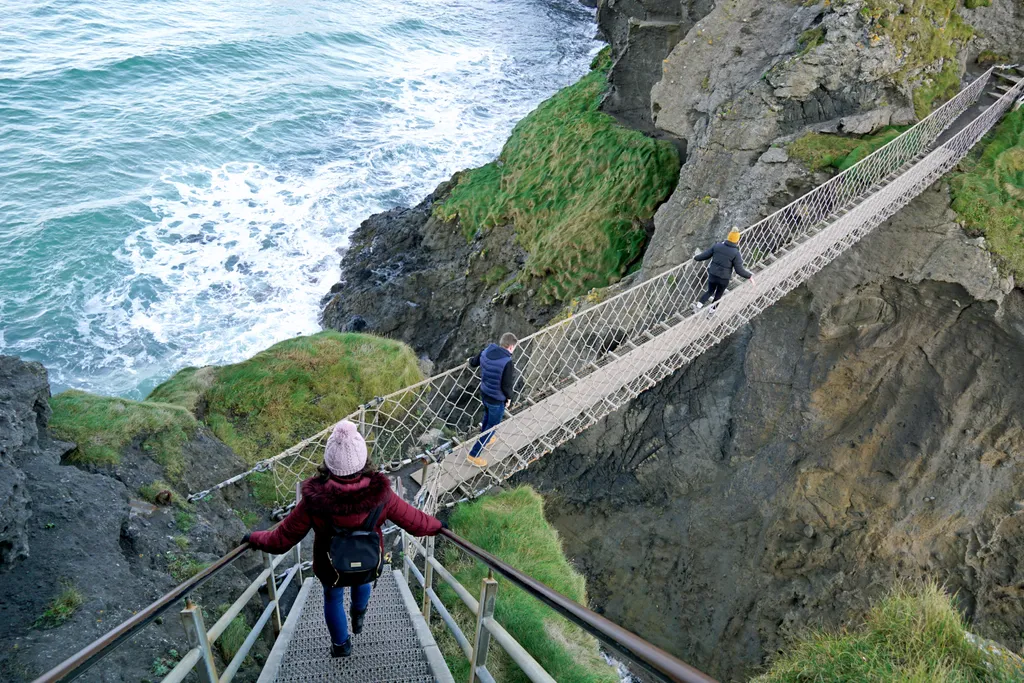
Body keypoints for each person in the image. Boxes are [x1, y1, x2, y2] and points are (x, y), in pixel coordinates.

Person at [243, 420, 443, 658]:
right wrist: (439, 526)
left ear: (329, 461)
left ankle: (341, 646)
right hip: (368, 559)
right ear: (363, 458)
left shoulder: (313, 501)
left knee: (332, 598)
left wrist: (254, 538)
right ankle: (358, 615)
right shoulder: (383, 496)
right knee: (363, 581)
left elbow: (282, 539)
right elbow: (416, 522)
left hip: (331, 565)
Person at [466, 332, 518, 467]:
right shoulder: (507, 362)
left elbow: (473, 362)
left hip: (484, 393)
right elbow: (506, 385)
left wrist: (469, 361)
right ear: (511, 347)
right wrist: (509, 398)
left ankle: (486, 437)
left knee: (487, 416)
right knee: (493, 426)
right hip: (496, 399)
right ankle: (473, 454)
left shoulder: (487, 350)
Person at [692, 228, 754, 310]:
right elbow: (739, 270)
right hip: (724, 278)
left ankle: (698, 307)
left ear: (728, 237)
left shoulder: (717, 246)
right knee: (718, 295)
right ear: (737, 241)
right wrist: (749, 276)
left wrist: (695, 258)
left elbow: (704, 256)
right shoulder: (736, 253)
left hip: (713, 274)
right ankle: (711, 312)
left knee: (710, 291)